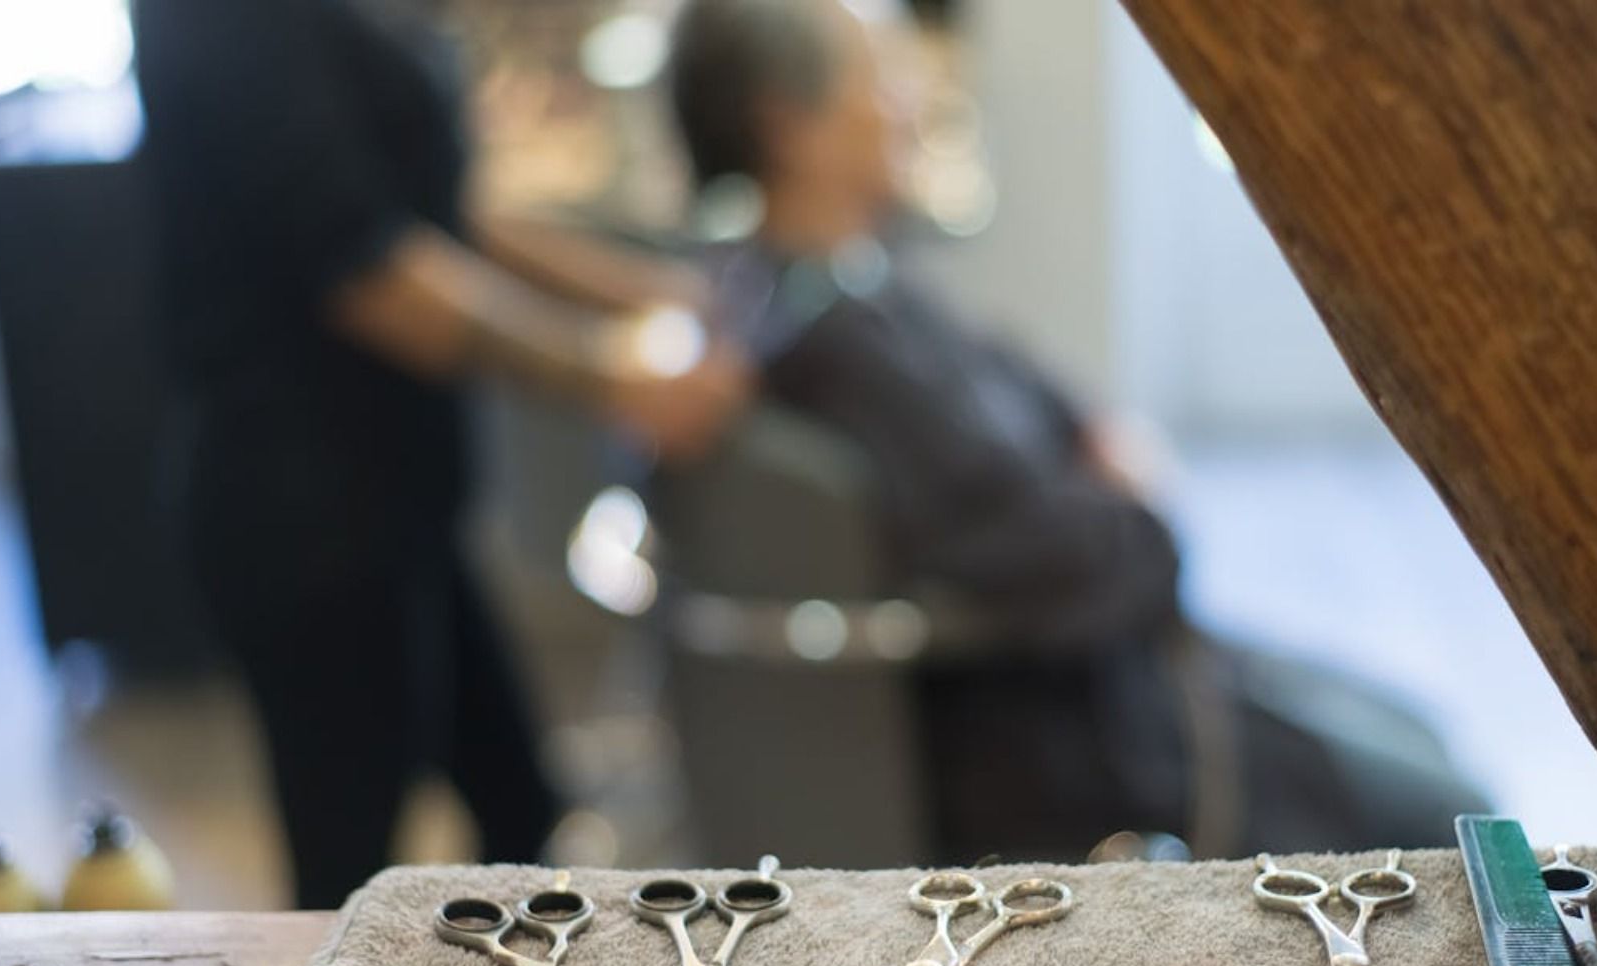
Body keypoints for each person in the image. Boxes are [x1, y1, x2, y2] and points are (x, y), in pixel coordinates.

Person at [666, 0, 1487, 862]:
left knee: (1416, 734)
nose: (912, 100)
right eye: (881, 80)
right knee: (1450, 813)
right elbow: (1060, 553)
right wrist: (1139, 513)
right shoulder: (840, 350)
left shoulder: (813, 292)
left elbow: (1018, 381)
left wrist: (1091, 439)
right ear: (789, 128)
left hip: (1110, 682)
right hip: (1078, 753)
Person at [133, 0, 747, 908]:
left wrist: (648, 291)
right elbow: (371, 272)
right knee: (347, 866)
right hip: (305, 516)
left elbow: (435, 211)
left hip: (398, 502)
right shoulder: (229, 22)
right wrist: (613, 376)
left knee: (520, 810)